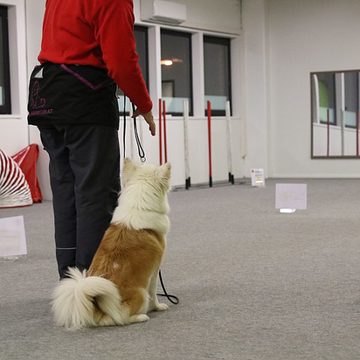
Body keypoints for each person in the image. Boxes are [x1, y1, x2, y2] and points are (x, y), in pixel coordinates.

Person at [27, 0, 155, 279]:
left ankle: (70, 281)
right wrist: (144, 104)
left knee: (66, 195)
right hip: (85, 100)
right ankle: (93, 284)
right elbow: (122, 60)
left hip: (48, 98)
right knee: (95, 195)